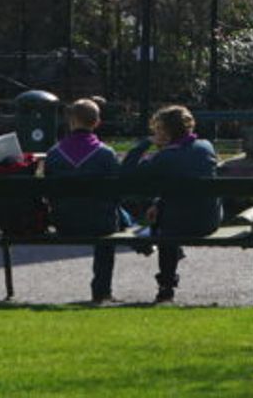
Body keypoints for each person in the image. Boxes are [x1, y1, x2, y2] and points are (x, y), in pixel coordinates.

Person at [121, 104, 219, 303]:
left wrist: (145, 143)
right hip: (209, 220)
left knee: (168, 226)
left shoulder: (164, 157)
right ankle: (168, 272)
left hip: (176, 225)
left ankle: (166, 287)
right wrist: (159, 202)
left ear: (165, 132)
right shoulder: (206, 146)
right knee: (173, 211)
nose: (154, 133)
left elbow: (127, 172)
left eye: (156, 130)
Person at [43, 97, 123, 303]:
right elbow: (116, 191)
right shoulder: (106, 154)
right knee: (111, 218)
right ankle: (102, 290)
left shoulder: (54, 154)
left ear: (71, 121)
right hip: (100, 224)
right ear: (96, 123)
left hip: (64, 222)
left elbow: (49, 191)